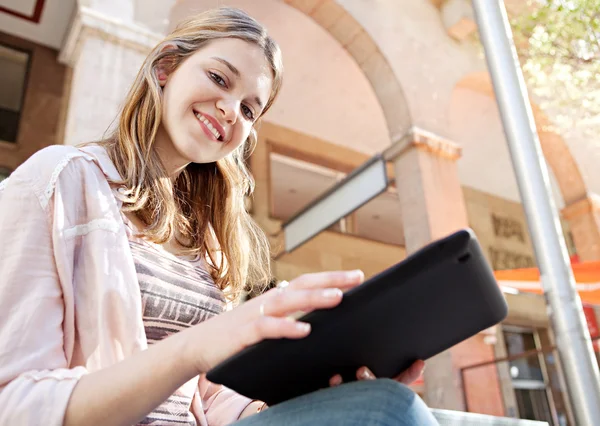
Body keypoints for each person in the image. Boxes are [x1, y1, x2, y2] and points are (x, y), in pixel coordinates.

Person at [0, 7, 438, 426]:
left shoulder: (206, 239)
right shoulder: (59, 180)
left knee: (379, 404)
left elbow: (207, 395)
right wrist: (195, 347)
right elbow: (13, 404)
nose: (231, 110)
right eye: (218, 78)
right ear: (166, 68)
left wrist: (300, 404)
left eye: (250, 109)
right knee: (391, 413)